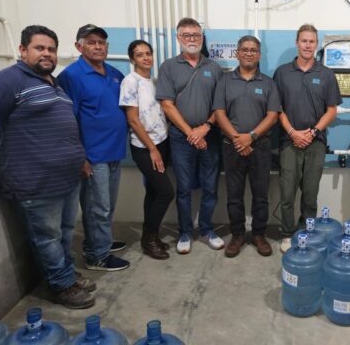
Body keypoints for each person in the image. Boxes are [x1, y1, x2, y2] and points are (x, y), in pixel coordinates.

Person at [0, 25, 95, 308]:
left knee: (63, 232)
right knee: (46, 237)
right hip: (34, 181)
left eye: (51, 48)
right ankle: (61, 285)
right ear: (23, 50)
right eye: (39, 48)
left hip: (66, 178)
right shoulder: (8, 80)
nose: (46, 53)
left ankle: (66, 274)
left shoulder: (52, 82)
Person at [58, 24, 130, 272]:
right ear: (79, 46)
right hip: (92, 156)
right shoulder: (71, 76)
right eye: (91, 42)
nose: (98, 46)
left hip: (114, 152)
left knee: (105, 206)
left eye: (102, 42)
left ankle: (100, 243)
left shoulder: (115, 74)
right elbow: (67, 121)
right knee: (97, 207)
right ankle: (97, 256)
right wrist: (80, 156)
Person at [156, 17, 224, 254]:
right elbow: (166, 104)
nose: (192, 39)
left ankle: (206, 229)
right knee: (183, 188)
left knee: (210, 186)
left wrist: (204, 128)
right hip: (180, 137)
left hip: (209, 135)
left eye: (196, 35)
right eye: (186, 35)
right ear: (178, 38)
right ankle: (185, 232)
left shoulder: (214, 68)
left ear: (202, 38)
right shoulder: (168, 67)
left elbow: (221, 107)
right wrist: (190, 133)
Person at [274, 24, 342, 253]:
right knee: (287, 193)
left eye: (312, 41)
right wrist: (293, 133)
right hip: (289, 142)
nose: (307, 45)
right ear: (297, 42)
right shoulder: (282, 73)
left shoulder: (326, 74)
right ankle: (286, 233)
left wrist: (312, 132)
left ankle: (307, 233)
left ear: (317, 44)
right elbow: (277, 108)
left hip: (316, 142)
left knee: (310, 194)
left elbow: (331, 110)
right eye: (304, 41)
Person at [213, 35, 281, 258]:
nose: (249, 53)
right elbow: (219, 113)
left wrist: (250, 137)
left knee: (261, 195)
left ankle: (259, 235)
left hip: (260, 147)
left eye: (253, 50)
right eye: (245, 49)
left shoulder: (268, 83)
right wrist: (237, 138)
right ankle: (238, 235)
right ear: (237, 53)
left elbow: (272, 116)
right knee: (234, 195)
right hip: (231, 146)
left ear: (259, 55)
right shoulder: (224, 81)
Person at [119, 40, 175, 260]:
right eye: (140, 55)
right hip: (144, 146)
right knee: (165, 192)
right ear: (132, 59)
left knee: (153, 192)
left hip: (162, 140)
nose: (146, 58)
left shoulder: (152, 81)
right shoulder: (130, 82)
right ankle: (149, 240)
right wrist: (152, 149)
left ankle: (151, 236)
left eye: (148, 53)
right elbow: (132, 120)